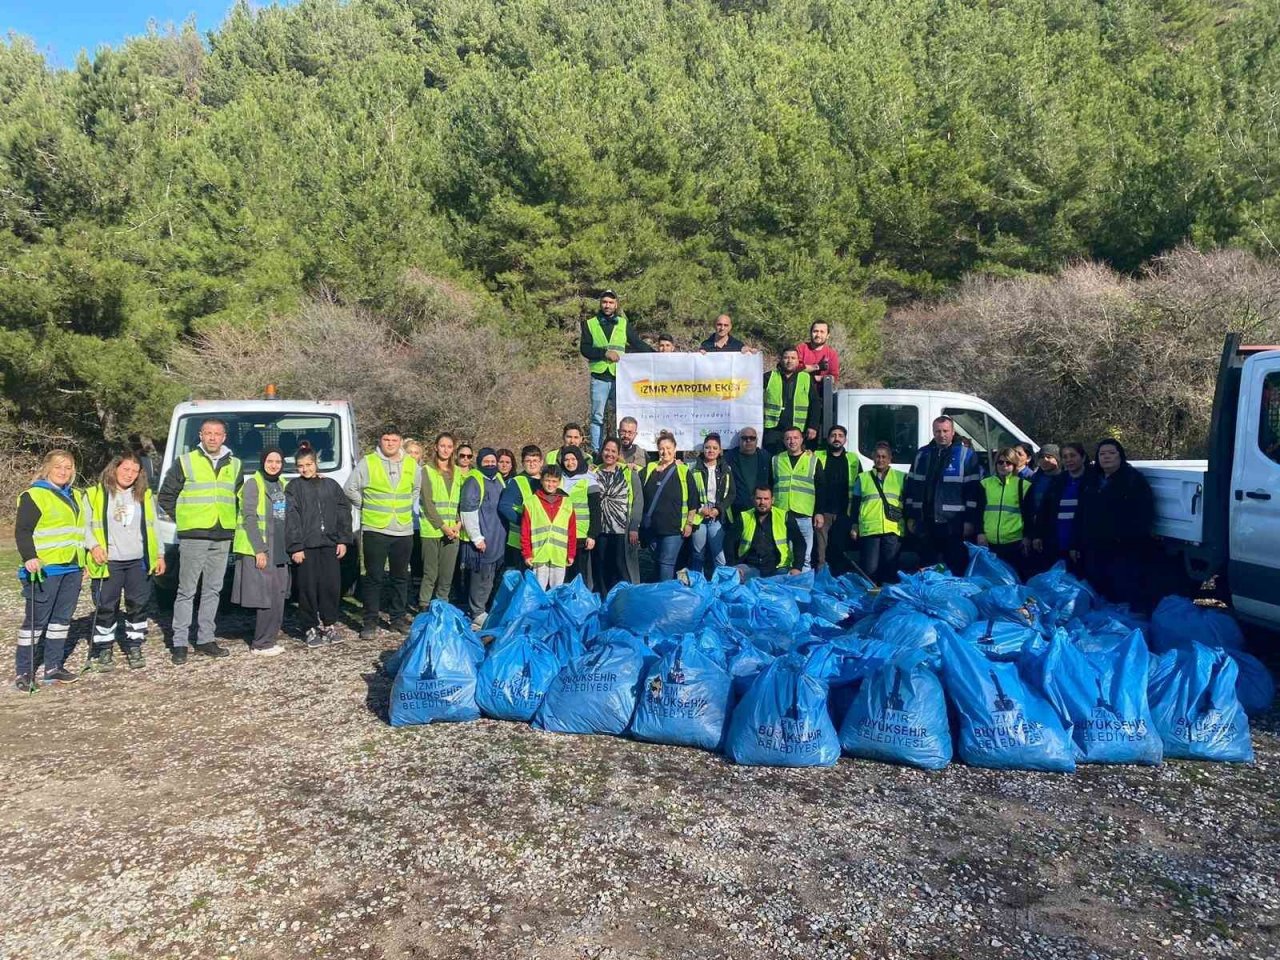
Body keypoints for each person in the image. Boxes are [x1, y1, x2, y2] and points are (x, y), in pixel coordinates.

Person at [158, 418, 243, 663]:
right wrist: (184, 520)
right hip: (194, 536)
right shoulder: (185, 462)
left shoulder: (235, 465)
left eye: (217, 434)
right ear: (201, 436)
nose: (213, 438)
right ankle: (180, 643)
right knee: (186, 591)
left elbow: (238, 500)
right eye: (208, 433)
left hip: (223, 534)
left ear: (224, 437)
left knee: (213, 590)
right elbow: (165, 497)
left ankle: (206, 639)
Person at [14, 450, 90, 688]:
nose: (63, 472)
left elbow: (80, 532)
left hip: (72, 568)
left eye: (68, 467)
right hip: (45, 569)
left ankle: (53, 667)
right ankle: (24, 672)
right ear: (47, 468)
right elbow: (23, 531)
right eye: (58, 467)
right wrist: (30, 557)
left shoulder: (76, 496)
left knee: (61, 621)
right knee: (36, 622)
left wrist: (84, 561)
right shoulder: (35, 495)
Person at [84, 451, 164, 671]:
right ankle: (104, 649)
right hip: (108, 561)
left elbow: (153, 526)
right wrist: (94, 546)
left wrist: (159, 554)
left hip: (138, 561)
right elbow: (84, 526)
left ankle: (135, 645)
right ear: (115, 468)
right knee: (106, 606)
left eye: (134, 471)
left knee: (138, 605)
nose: (129, 474)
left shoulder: (145, 496)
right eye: (125, 469)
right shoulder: (95, 494)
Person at [344, 425, 421, 640]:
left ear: (400, 441)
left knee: (400, 577)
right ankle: (369, 622)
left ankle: (397, 619)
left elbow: (415, 490)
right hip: (375, 529)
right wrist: (366, 505)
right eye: (386, 439)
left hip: (403, 529)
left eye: (394, 440)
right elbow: (349, 489)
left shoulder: (411, 464)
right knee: (374, 577)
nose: (390, 443)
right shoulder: (368, 462)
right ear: (380, 441)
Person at [1074, 439, 1155, 609]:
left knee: (1122, 590)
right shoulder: (1091, 480)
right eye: (1102, 454)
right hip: (1094, 546)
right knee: (1097, 588)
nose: (1106, 457)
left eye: (1111, 453)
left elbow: (1144, 513)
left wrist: (1129, 537)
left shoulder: (1133, 480)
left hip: (1123, 548)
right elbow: (1081, 512)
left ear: (1120, 456)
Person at [285, 446, 352, 646]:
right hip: (306, 546)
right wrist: (295, 546)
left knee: (330, 586)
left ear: (316, 464)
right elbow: (291, 518)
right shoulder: (293, 487)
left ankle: (329, 624)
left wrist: (343, 539)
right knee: (307, 588)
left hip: (329, 544)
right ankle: (309, 627)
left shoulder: (330, 485)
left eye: (308, 465)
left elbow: (343, 511)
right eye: (300, 466)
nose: (305, 469)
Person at [903, 415, 982, 576]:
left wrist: (969, 521)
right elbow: (911, 486)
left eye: (945, 431)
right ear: (933, 432)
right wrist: (911, 516)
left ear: (953, 432)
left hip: (953, 523)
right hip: (926, 521)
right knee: (927, 566)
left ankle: (954, 599)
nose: (942, 435)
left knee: (955, 565)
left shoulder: (966, 455)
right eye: (938, 431)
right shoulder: (922, 454)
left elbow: (973, 492)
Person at [231, 447, 290, 656]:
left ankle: (270, 639)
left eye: (278, 461)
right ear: (262, 461)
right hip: (263, 547)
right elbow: (249, 518)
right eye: (270, 461)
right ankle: (261, 643)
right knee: (265, 597)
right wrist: (260, 550)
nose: (274, 465)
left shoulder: (282, 484)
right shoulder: (253, 484)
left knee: (278, 594)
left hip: (280, 547)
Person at [579, 289, 653, 451]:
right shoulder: (589, 324)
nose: (607, 305)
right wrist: (604, 353)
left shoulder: (623, 323)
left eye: (611, 302)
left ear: (616, 304)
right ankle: (597, 451)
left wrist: (657, 356)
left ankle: (619, 451)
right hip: (599, 377)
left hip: (620, 378)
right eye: (605, 302)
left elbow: (637, 343)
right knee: (597, 417)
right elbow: (585, 349)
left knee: (620, 417)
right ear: (600, 303)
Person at [641, 431, 700, 580]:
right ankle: (665, 594)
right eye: (661, 448)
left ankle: (665, 597)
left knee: (666, 563)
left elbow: (693, 500)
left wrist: (689, 523)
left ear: (675, 449)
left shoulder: (683, 470)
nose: (665, 452)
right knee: (657, 562)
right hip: (652, 528)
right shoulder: (649, 468)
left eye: (668, 448)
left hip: (674, 528)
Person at [458, 448, 506, 627]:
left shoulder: (498, 478)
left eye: (493, 461)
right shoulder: (474, 480)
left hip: (498, 536)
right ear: (479, 462)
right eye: (486, 461)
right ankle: (476, 610)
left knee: (492, 576)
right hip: (483, 538)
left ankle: (486, 608)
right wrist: (476, 537)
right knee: (481, 577)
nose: (491, 464)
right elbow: (467, 510)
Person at [850, 442, 905, 584]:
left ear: (890, 458)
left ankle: (889, 600)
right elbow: (855, 504)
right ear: (873, 458)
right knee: (869, 570)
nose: (880, 460)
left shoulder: (901, 477)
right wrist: (854, 525)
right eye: (878, 456)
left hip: (893, 528)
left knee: (890, 569)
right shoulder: (862, 478)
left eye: (884, 457)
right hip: (870, 530)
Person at [593, 437, 643, 592]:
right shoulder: (593, 472)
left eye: (613, 451)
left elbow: (638, 500)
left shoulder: (628, 471)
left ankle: (624, 598)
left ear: (618, 453)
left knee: (621, 566)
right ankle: (603, 598)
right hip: (600, 529)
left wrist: (634, 526)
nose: (609, 454)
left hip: (622, 529)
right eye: (606, 450)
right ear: (602, 451)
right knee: (601, 566)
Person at [419, 432, 463, 609]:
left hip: (454, 531)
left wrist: (458, 524)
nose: (446, 450)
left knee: (447, 573)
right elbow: (428, 504)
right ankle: (423, 605)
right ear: (436, 447)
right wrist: (443, 527)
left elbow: (460, 503)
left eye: (449, 446)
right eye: (442, 446)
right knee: (430, 572)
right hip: (432, 530)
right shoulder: (426, 471)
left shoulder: (458, 473)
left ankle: (442, 605)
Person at [976, 448, 1035, 579]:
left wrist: (1027, 537)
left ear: (1014, 465)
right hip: (989, 543)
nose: (1004, 466)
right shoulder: (985, 484)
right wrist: (980, 533)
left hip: (1014, 542)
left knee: (1013, 579)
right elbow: (979, 511)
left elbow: (1029, 515)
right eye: (1000, 462)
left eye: (1008, 463)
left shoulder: (1023, 485)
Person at [772, 427, 824, 573]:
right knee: (784, 555)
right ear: (783, 441)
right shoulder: (776, 460)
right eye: (788, 438)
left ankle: (804, 589)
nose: (792, 441)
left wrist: (819, 512)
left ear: (802, 440)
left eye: (795, 438)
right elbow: (770, 485)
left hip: (803, 514)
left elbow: (821, 488)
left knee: (805, 557)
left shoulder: (812, 460)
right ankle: (787, 588)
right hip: (781, 514)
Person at [1033, 442, 1090, 569]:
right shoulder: (1059, 481)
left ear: (1083, 457)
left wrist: (1077, 544)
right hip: (1056, 543)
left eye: (1072, 456)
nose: (1069, 460)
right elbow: (1044, 510)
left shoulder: (1093, 481)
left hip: (1083, 546)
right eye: (1065, 457)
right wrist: (1038, 535)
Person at [521, 464, 577, 589]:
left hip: (559, 555)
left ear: (559, 482)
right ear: (541, 480)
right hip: (539, 555)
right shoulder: (531, 502)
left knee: (557, 590)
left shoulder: (567, 503)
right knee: (538, 590)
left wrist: (571, 553)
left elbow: (572, 531)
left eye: (554, 481)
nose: (550, 484)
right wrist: (527, 554)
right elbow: (525, 531)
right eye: (547, 480)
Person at [814, 425, 860, 572]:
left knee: (839, 550)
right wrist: (817, 511)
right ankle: (821, 582)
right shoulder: (817, 455)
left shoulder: (853, 458)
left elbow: (859, 485)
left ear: (845, 440)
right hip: (823, 512)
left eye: (840, 435)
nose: (837, 438)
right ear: (828, 439)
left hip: (843, 512)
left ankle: (838, 583)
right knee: (820, 551)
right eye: (833, 435)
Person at [735, 485, 806, 579]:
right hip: (750, 567)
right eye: (759, 498)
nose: (762, 502)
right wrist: (733, 565)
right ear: (753, 499)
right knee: (734, 578)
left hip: (779, 568)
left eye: (766, 499)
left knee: (783, 590)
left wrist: (797, 567)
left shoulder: (785, 516)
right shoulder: (744, 517)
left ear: (772, 500)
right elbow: (729, 542)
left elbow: (799, 542)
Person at [690, 433, 733, 576]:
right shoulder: (694, 468)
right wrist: (700, 508)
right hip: (699, 516)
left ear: (720, 450)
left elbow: (731, 494)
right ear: (703, 449)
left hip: (716, 516)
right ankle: (698, 584)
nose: (711, 451)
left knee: (719, 555)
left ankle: (722, 584)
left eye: (715, 448)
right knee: (698, 554)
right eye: (707, 447)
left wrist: (718, 510)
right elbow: (690, 493)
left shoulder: (726, 469)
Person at [557, 446, 599, 589]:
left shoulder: (590, 480)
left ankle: (581, 605)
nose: (570, 463)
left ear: (579, 459)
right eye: (566, 460)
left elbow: (595, 511)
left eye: (573, 459)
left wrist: (592, 534)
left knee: (581, 575)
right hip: (562, 535)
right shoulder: (558, 479)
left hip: (582, 535)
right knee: (564, 575)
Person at [762, 348, 817, 454]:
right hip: (773, 430)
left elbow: (815, 403)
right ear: (781, 360)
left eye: (793, 358)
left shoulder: (806, 378)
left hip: (797, 431)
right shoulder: (769, 376)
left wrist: (813, 426)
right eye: (786, 357)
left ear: (798, 361)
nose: (789, 361)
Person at [499, 445, 543, 570]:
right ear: (523, 463)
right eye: (528, 461)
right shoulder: (516, 481)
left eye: (535, 461)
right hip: (519, 542)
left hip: (541, 542)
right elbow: (504, 506)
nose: (532, 464)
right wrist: (524, 522)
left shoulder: (548, 481)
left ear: (541, 462)